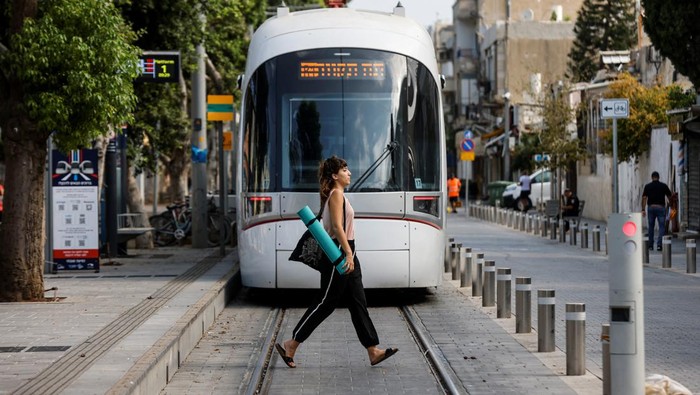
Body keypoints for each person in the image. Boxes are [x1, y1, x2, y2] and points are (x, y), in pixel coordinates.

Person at [275, 156, 398, 368]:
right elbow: (339, 229)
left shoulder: (338, 195)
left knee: (358, 302)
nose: (349, 173)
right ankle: (292, 343)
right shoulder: (336, 195)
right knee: (326, 303)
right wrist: (348, 254)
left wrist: (351, 253)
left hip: (348, 250)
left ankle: (373, 350)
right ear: (335, 176)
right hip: (340, 253)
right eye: (345, 169)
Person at [642, 171, 672, 251]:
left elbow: (644, 198)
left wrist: (643, 209)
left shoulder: (647, 186)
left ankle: (650, 245)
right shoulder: (663, 186)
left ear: (652, 177)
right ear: (659, 177)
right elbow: (669, 196)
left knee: (650, 227)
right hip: (661, 208)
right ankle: (659, 245)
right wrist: (671, 205)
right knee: (661, 227)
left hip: (651, 208)